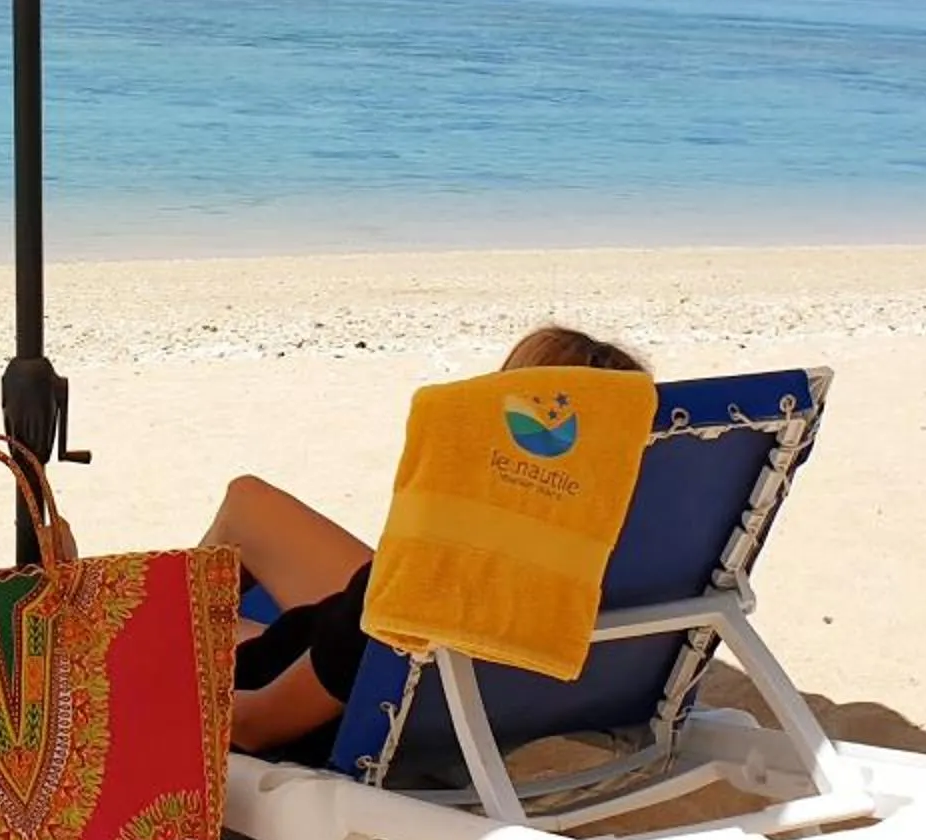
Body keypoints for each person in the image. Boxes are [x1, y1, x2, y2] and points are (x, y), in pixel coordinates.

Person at [214, 324, 653, 761]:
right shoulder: (634, 565)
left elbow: (255, 727)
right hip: (351, 654)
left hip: (319, 680)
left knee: (183, 619)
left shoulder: (422, 585)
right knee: (247, 500)